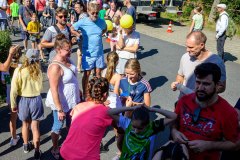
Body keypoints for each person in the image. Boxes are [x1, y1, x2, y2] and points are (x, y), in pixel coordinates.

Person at [167, 63, 238, 160]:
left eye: (206, 84)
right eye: (198, 82)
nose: (200, 88)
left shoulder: (228, 112)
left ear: (217, 85)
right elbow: (174, 121)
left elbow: (235, 144)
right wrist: (174, 131)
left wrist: (209, 145)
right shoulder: (184, 101)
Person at [45, 34, 81, 160]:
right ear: (58, 50)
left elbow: (73, 79)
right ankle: (55, 147)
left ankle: (69, 144)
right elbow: (54, 90)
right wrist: (59, 109)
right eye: (67, 49)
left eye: (70, 48)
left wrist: (79, 91)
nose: (70, 51)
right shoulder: (55, 67)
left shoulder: (68, 60)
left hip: (72, 100)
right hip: (61, 102)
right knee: (57, 126)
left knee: (72, 123)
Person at [60, 77, 112, 160]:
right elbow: (124, 125)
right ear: (105, 94)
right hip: (86, 157)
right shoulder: (107, 112)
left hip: (65, 153)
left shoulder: (78, 107)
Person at [108, 104, 177, 160]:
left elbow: (173, 116)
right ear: (131, 121)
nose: (136, 131)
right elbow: (110, 112)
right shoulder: (127, 123)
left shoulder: (153, 127)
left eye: (140, 128)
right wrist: (131, 108)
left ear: (147, 124)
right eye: (134, 127)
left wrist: (152, 109)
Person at [171, 31, 226, 99]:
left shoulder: (217, 62)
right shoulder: (185, 57)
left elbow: (222, 86)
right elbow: (180, 76)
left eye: (191, 47)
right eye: (187, 46)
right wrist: (177, 83)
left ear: (201, 45)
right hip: (183, 101)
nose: (187, 50)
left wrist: (204, 94)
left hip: (203, 105)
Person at [10, 49, 44, 159]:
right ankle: (37, 151)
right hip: (36, 99)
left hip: (23, 99)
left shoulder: (19, 70)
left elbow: (14, 90)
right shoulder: (38, 70)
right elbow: (41, 87)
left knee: (25, 124)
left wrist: (13, 104)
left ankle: (25, 145)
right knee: (35, 127)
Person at [71, 2, 107, 98]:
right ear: (88, 11)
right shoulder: (83, 21)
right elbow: (72, 28)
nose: (95, 15)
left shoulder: (101, 21)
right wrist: (78, 35)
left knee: (98, 74)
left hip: (99, 52)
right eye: (93, 13)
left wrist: (101, 34)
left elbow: (105, 28)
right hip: (88, 53)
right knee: (87, 74)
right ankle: (86, 95)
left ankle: (98, 94)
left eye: (97, 13)